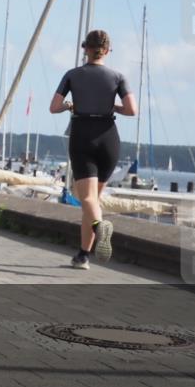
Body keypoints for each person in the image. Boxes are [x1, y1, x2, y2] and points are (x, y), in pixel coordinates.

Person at [49, 29, 137, 270]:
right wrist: (113, 107)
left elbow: (54, 107)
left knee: (85, 198)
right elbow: (131, 110)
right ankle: (83, 255)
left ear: (84, 49)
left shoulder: (72, 75)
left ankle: (99, 228)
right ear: (107, 51)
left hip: (82, 135)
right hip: (109, 137)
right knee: (94, 200)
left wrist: (70, 105)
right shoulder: (118, 77)